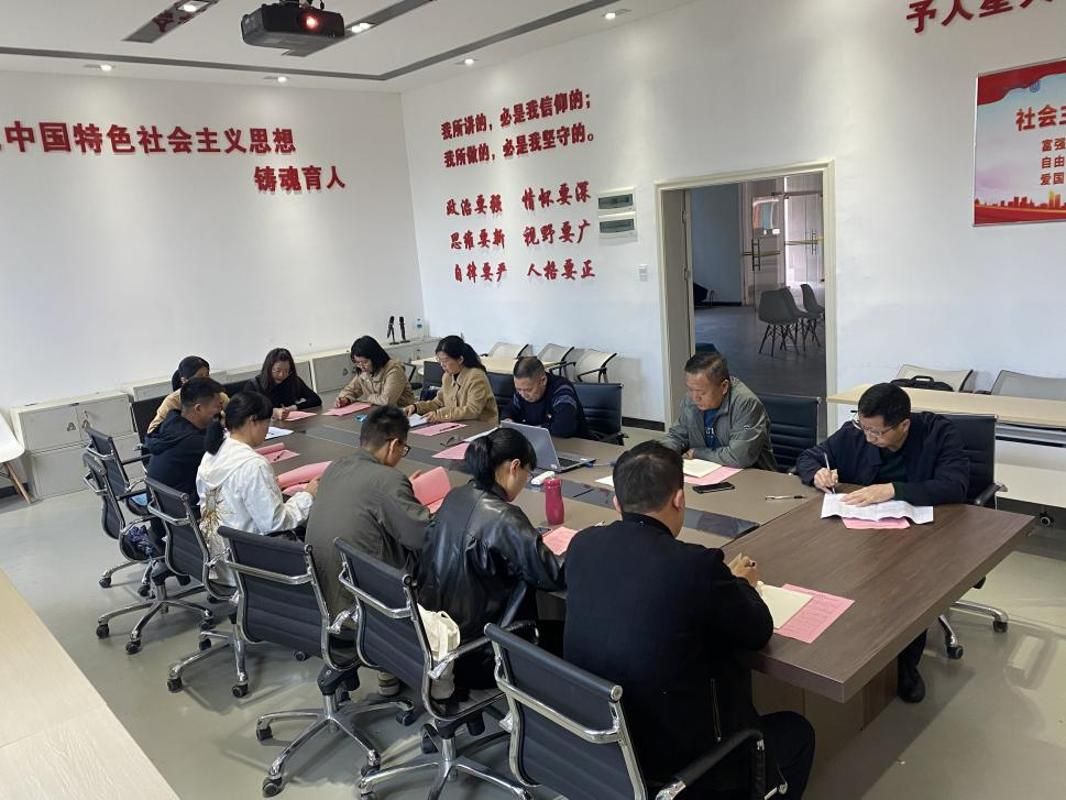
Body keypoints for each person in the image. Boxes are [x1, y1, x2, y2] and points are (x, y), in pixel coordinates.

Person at [564, 442, 814, 797]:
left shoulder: (582, 544)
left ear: (616, 503)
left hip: (601, 744)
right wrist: (740, 584)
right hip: (680, 765)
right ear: (680, 499)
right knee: (798, 733)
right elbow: (758, 630)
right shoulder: (695, 565)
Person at [796, 382, 969, 703]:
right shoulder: (856, 433)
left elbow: (955, 486)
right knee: (837, 574)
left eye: (877, 433)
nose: (868, 438)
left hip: (922, 535)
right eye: (864, 428)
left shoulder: (937, 434)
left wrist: (892, 490)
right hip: (863, 531)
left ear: (904, 425)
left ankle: (905, 664)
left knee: (908, 588)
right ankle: (847, 653)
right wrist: (817, 473)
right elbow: (810, 456)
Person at [417, 428, 564, 688]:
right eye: (528, 473)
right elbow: (552, 574)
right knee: (571, 633)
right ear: (514, 467)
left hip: (439, 641)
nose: (525, 482)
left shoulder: (455, 496)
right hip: (483, 653)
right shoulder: (504, 518)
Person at [306, 405, 430, 619]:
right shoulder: (388, 480)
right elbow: (423, 537)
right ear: (394, 445)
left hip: (321, 599)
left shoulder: (335, 466)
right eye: (404, 449)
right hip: (364, 604)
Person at [196, 392, 318, 561]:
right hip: (252, 558)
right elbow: (275, 522)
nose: (267, 430)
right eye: (267, 423)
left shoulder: (213, 452)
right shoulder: (253, 465)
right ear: (253, 420)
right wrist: (308, 495)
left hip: (220, 552)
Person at [661, 352, 776, 470]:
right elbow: (676, 436)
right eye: (690, 389)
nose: (695, 398)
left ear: (724, 387)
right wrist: (661, 455)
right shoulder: (690, 400)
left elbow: (740, 457)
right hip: (704, 472)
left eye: (702, 392)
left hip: (750, 475)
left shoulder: (746, 404)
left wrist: (697, 453)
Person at [144, 377, 225, 504]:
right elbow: (230, 457)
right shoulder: (191, 441)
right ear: (198, 409)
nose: (221, 411)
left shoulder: (171, 425)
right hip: (187, 509)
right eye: (218, 406)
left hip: (163, 508)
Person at [404, 335, 498, 423]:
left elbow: (473, 410)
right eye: (439, 360)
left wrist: (440, 414)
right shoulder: (447, 376)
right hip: (456, 425)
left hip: (480, 426)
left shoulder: (476, 376)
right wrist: (416, 407)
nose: (442, 365)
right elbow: (439, 402)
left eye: (445, 361)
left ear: (460, 359)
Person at [502, 356, 589, 438]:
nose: (523, 395)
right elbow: (509, 410)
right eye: (518, 389)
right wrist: (507, 420)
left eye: (528, 390)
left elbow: (564, 427)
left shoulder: (561, 389)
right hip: (537, 440)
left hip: (574, 443)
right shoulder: (522, 390)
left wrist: (531, 430)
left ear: (543, 380)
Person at [147, 355, 229, 434]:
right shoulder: (173, 401)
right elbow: (152, 431)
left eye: (207, 375)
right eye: (200, 376)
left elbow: (233, 417)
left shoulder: (218, 395)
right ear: (184, 380)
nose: (205, 380)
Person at [334, 336, 416, 409]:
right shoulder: (364, 372)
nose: (361, 366)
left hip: (403, 413)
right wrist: (345, 399)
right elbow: (351, 389)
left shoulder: (393, 370)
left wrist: (369, 398)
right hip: (379, 413)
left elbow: (387, 401)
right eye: (357, 362)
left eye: (365, 362)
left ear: (375, 358)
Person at [244, 348, 321, 419]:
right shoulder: (254, 385)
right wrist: (272, 412)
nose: (282, 375)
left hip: (292, 425)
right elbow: (246, 412)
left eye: (287, 371)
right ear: (268, 368)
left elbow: (315, 400)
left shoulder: (292, 380)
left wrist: (292, 408)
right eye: (278, 371)